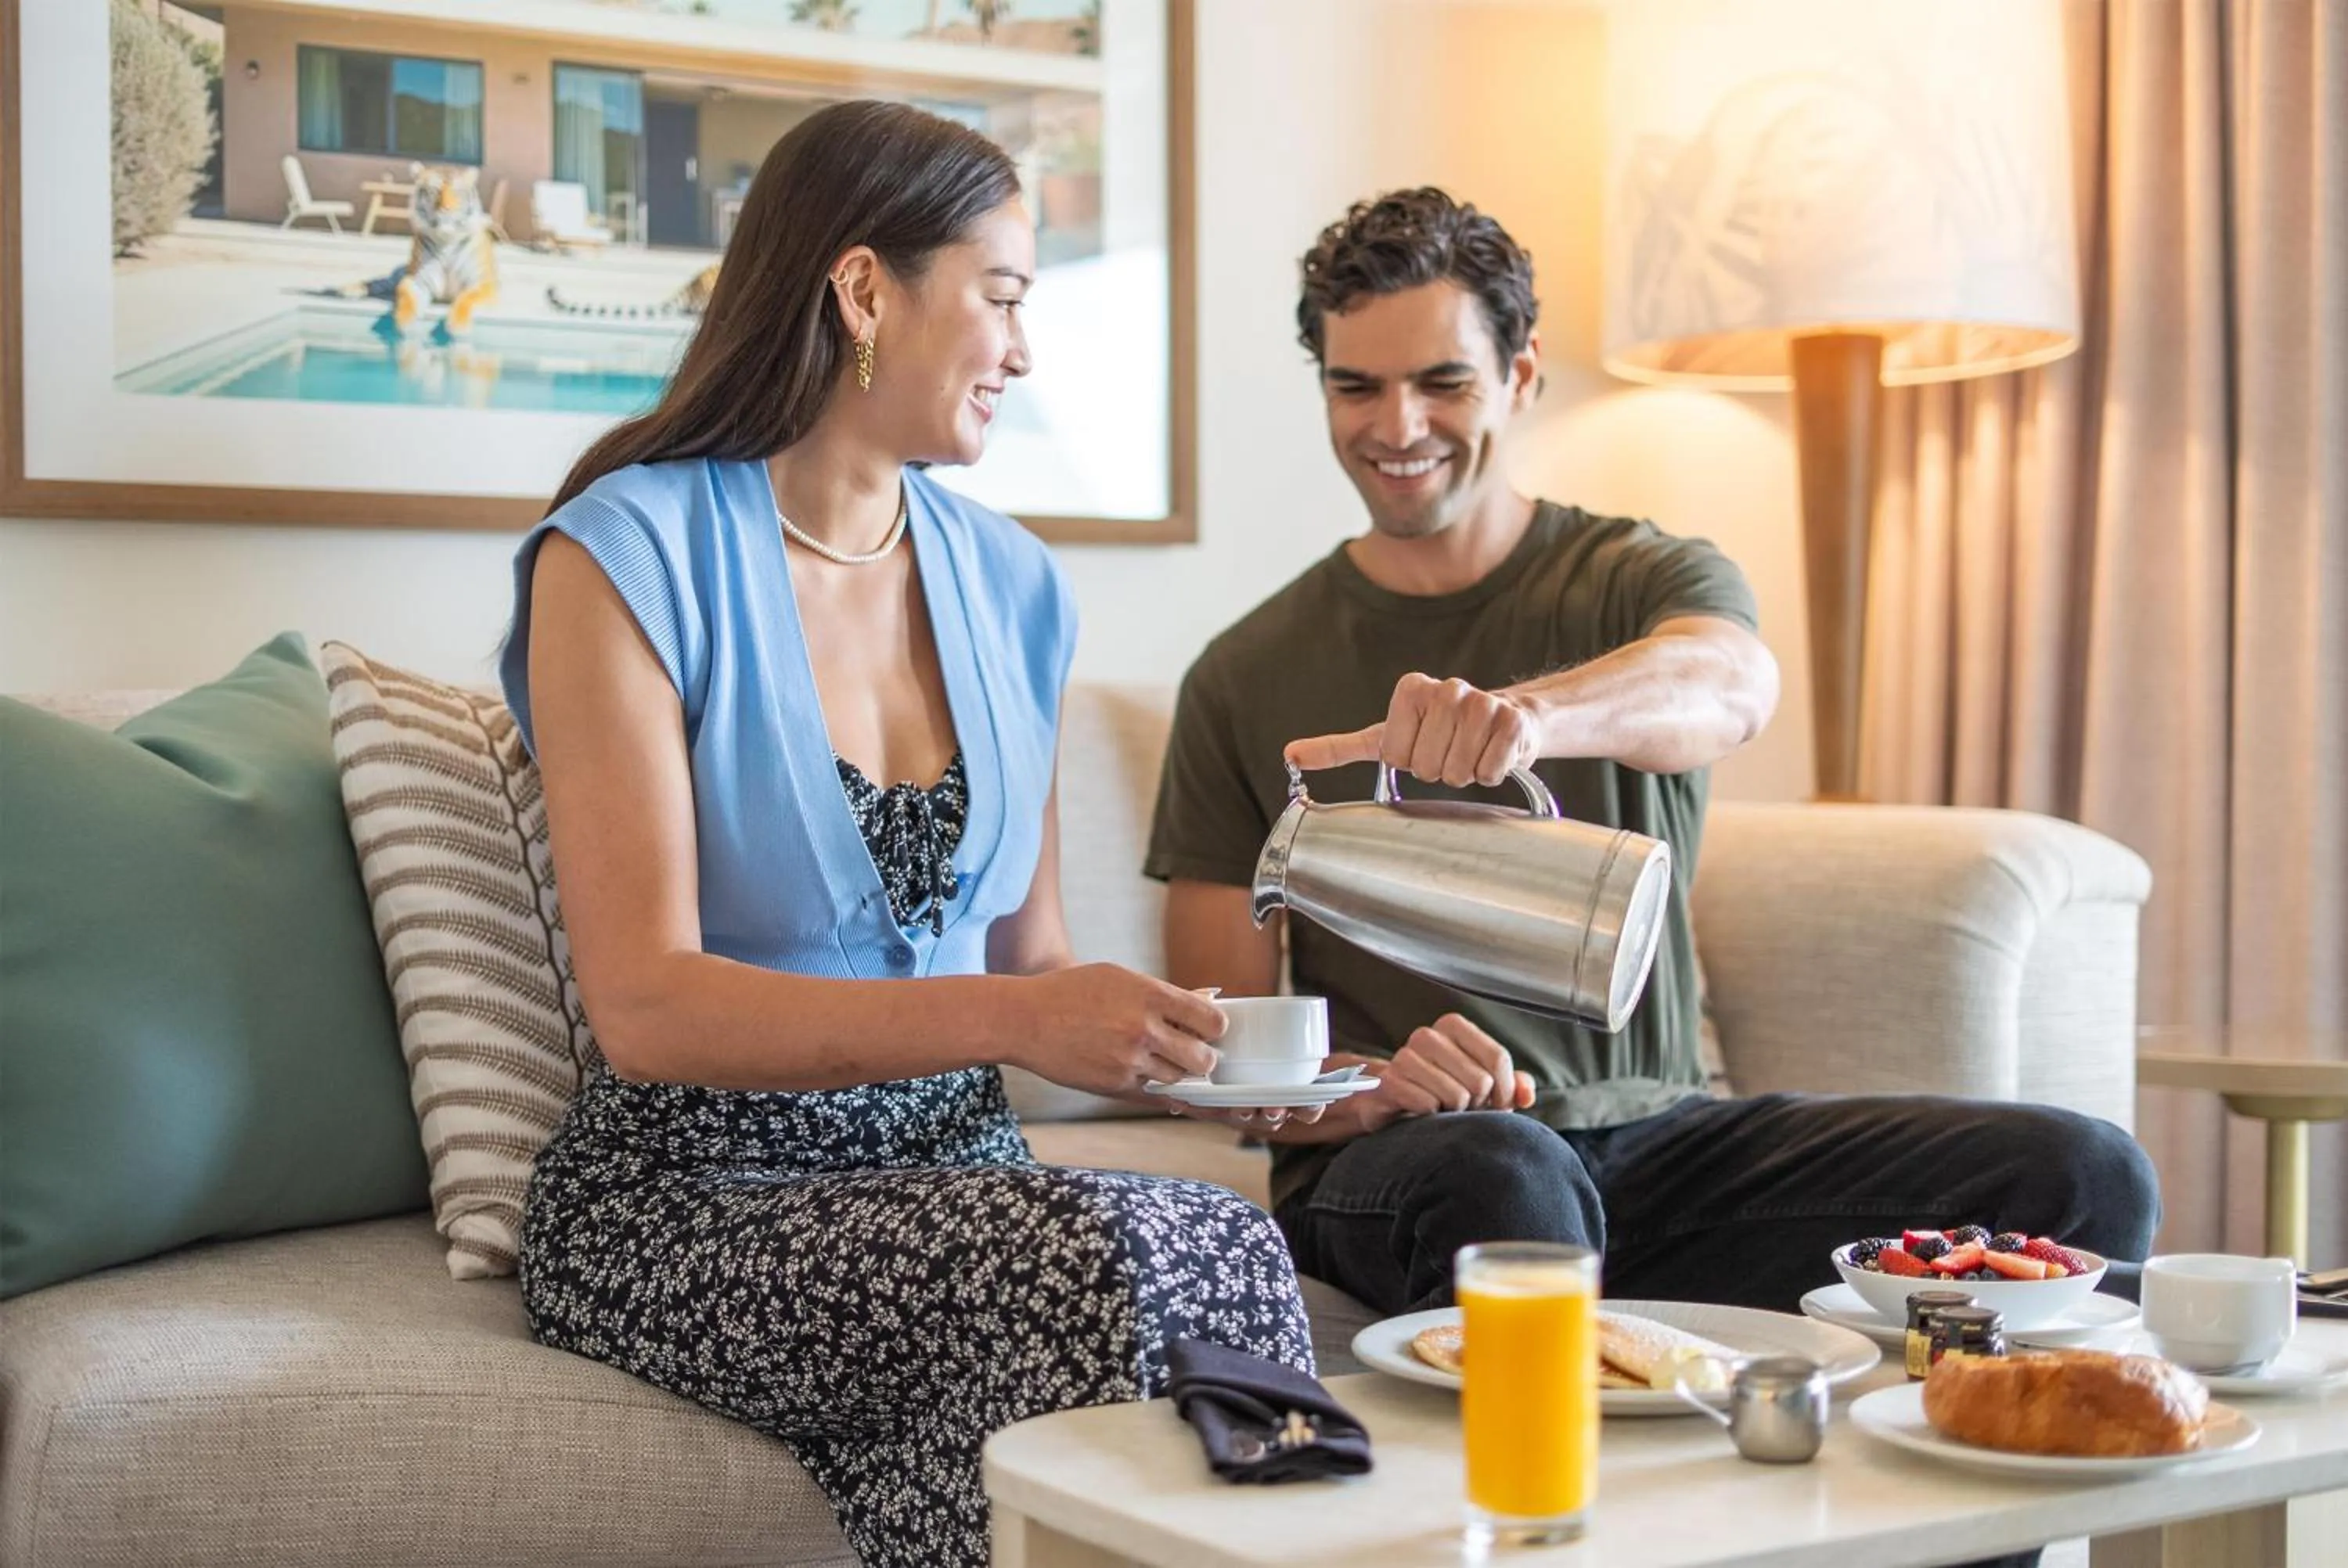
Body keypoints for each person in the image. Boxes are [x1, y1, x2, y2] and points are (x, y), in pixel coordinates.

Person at [500, 101, 1310, 1568]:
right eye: (1000, 295)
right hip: (698, 1197)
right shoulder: (623, 555)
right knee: (1109, 1262)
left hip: (954, 1177)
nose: (1023, 346)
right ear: (866, 288)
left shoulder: (1015, 586)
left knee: (1225, 1238)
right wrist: (1020, 1015)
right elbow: (648, 1009)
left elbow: (1044, 965)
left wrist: (1282, 1085)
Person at [1146, 186, 2162, 1325]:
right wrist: (1379, 1093)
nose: (1397, 426)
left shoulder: (1638, 579)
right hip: (1412, 1163)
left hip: (1661, 1144)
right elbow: (1217, 1056)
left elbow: (1731, 685)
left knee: (2083, 1172)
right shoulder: (1243, 676)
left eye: (1443, 383)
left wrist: (1529, 719)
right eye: (1356, 387)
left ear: (1522, 377)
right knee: (1508, 1171)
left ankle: (1944, 1470)